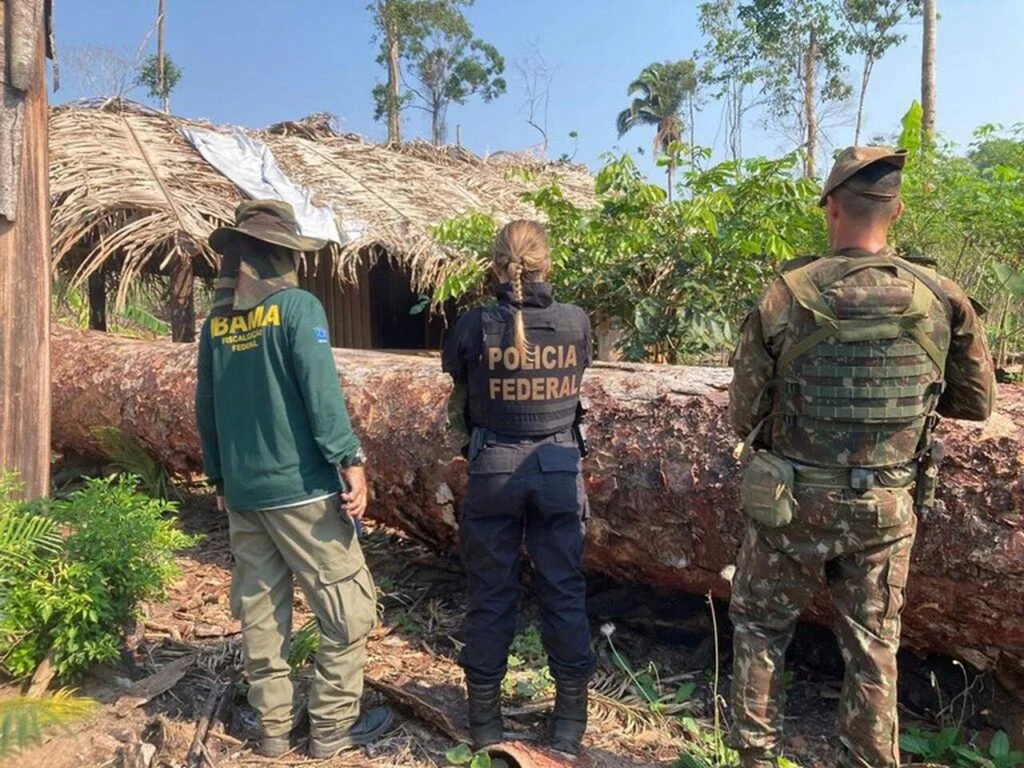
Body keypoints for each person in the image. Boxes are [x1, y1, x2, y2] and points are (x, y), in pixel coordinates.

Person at [727, 147, 996, 768]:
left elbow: (744, 414)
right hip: (885, 506)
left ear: (830, 208)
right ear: (896, 211)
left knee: (762, 630)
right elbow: (976, 402)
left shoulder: (786, 295)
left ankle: (756, 760)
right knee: (874, 649)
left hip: (790, 505)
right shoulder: (941, 296)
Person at [195, 200, 392, 759]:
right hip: (303, 490)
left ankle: (274, 732)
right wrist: (349, 459)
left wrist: (219, 476)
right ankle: (331, 730)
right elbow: (320, 392)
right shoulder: (299, 308)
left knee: (262, 614)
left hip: (245, 494)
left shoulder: (217, 323)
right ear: (280, 254)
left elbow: (206, 406)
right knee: (349, 613)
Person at [442, 220, 596, 756]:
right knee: (564, 591)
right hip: (557, 470)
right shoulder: (575, 321)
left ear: (495, 266)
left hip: (494, 470)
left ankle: (485, 724)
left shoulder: (472, 325)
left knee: (491, 594)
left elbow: (459, 389)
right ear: (547, 263)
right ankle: (569, 726)